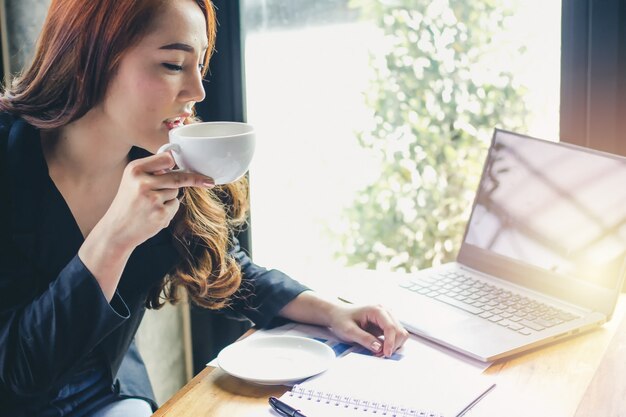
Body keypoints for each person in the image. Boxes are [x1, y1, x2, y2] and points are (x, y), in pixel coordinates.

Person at [0, 0, 409, 416]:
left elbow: (221, 268)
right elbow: (16, 374)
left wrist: (335, 311)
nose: (197, 92)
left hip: (109, 390)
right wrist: (115, 238)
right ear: (91, 58)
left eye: (200, 66)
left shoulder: (162, 158)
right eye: (174, 65)